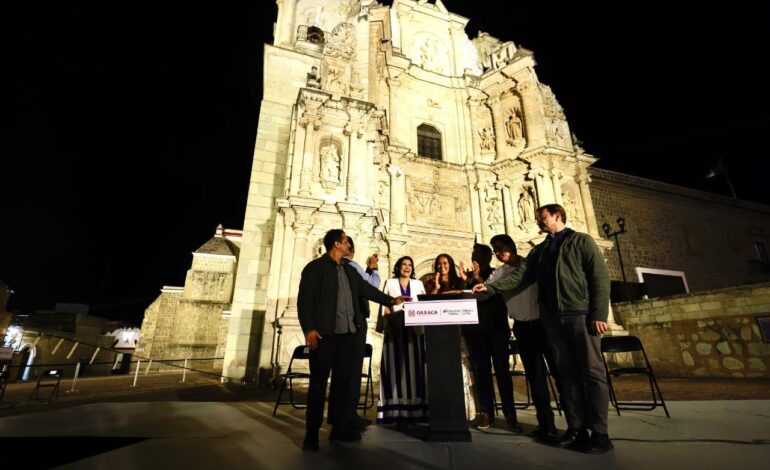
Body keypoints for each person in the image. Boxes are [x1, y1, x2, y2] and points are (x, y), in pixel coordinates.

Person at [472, 204, 612, 453]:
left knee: (592, 371)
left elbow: (599, 277)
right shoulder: (541, 250)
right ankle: (576, 427)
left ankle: (600, 432)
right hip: (553, 320)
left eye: (543, 217)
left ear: (558, 216)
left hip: (579, 314)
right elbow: (521, 276)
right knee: (565, 372)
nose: (539, 221)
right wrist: (491, 288)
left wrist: (599, 313)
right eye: (538, 218)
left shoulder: (581, 241)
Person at [298, 229, 410, 451]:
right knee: (318, 385)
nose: (349, 244)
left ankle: (338, 429)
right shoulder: (315, 268)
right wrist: (309, 329)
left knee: (342, 385)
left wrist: (391, 299)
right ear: (337, 244)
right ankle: (311, 433)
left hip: (348, 337)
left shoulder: (349, 271)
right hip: (324, 336)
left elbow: (367, 289)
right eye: (346, 241)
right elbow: (305, 301)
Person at [489, 234, 557, 440]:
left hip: (546, 325)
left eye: (501, 248)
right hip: (523, 328)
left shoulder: (533, 265)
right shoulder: (498, 274)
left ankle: (577, 424)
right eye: (496, 251)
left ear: (512, 245)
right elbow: (484, 291)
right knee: (536, 378)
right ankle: (547, 425)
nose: (499, 254)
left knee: (561, 373)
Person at [461, 244, 520, 431]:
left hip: (496, 330)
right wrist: (466, 281)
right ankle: (486, 412)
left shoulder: (498, 274)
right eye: (473, 254)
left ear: (488, 256)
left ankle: (510, 415)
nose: (474, 257)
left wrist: (477, 278)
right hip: (476, 331)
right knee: (482, 373)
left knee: (502, 372)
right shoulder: (469, 278)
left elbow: (491, 293)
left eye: (478, 254)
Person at [376, 255, 428, 425]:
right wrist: (389, 321)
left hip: (414, 332)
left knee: (414, 370)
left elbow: (424, 305)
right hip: (395, 332)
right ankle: (393, 410)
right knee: (394, 369)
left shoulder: (418, 284)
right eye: (404, 264)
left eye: (410, 265)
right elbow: (385, 305)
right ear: (398, 267)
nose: (407, 267)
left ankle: (416, 410)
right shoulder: (390, 283)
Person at [338, 237, 380, 430]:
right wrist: (374, 267)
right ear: (351, 250)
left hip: (343, 323)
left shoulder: (338, 267)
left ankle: (345, 417)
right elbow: (371, 286)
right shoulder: (351, 265)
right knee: (353, 371)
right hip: (356, 321)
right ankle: (349, 417)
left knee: (345, 372)